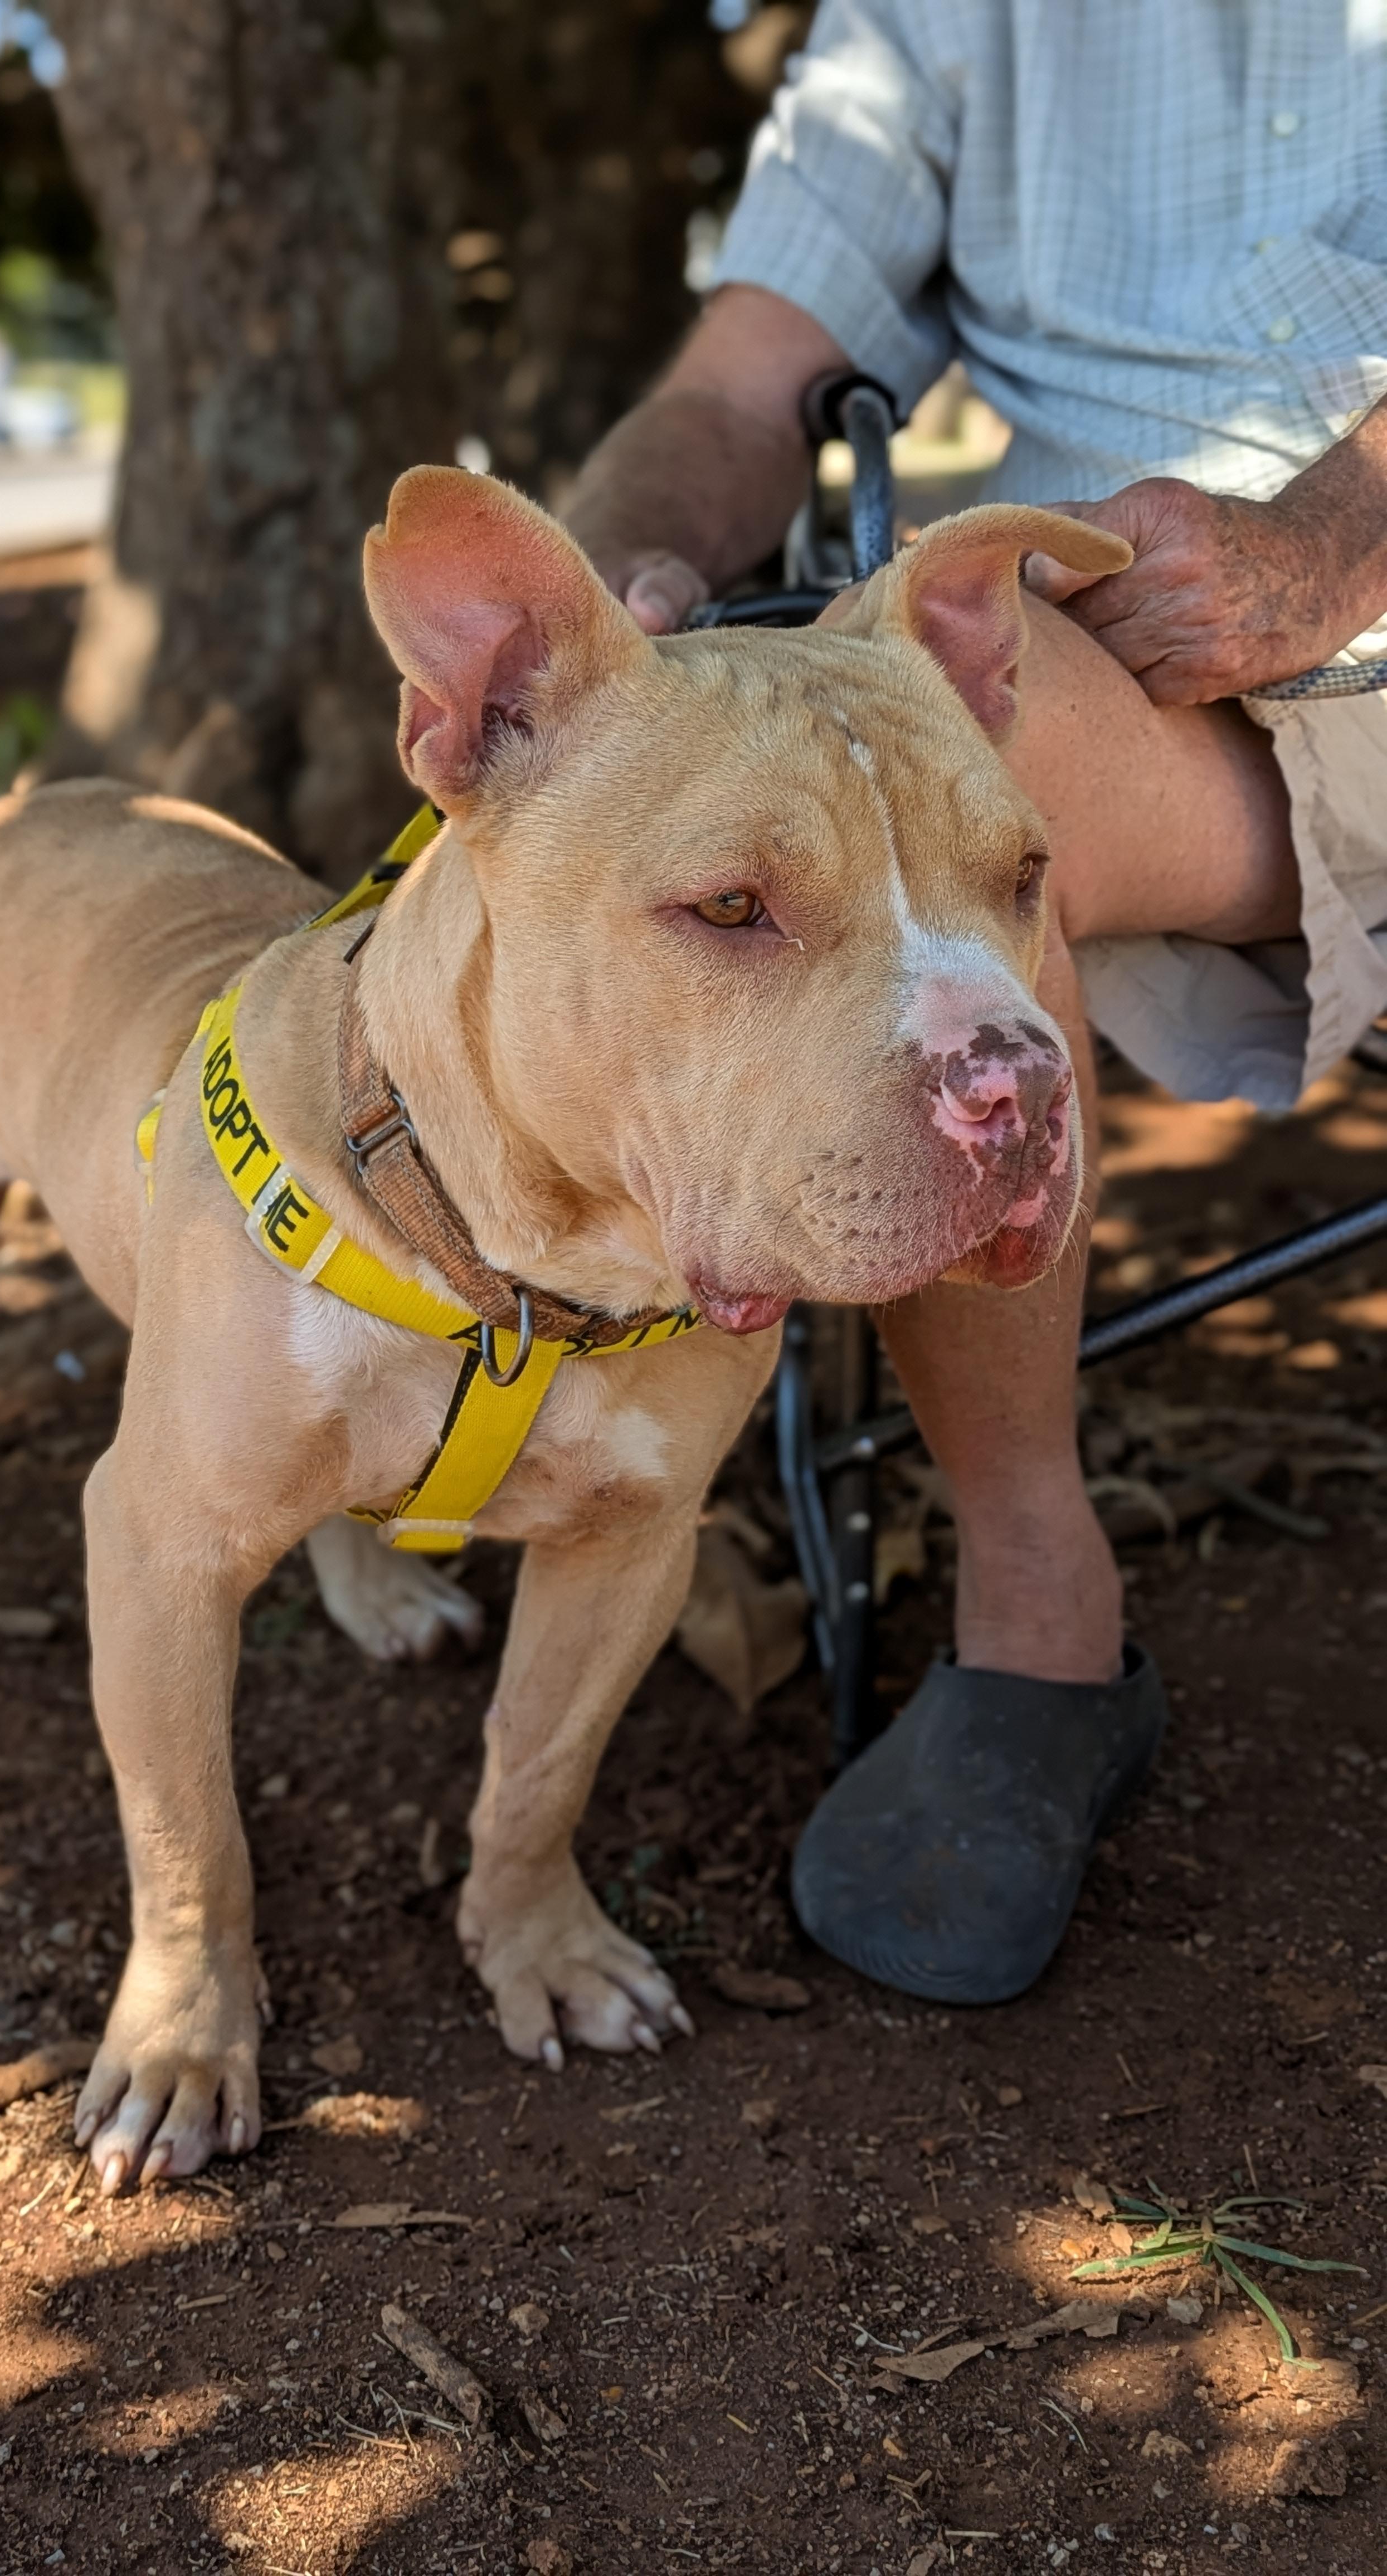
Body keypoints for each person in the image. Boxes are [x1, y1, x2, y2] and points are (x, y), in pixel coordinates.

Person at [563, 0, 1387, 2006]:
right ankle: (1041, 1597)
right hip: (1093, 690)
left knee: (953, 761)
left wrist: (1332, 549)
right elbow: (745, 377)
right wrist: (607, 599)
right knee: (919, 780)